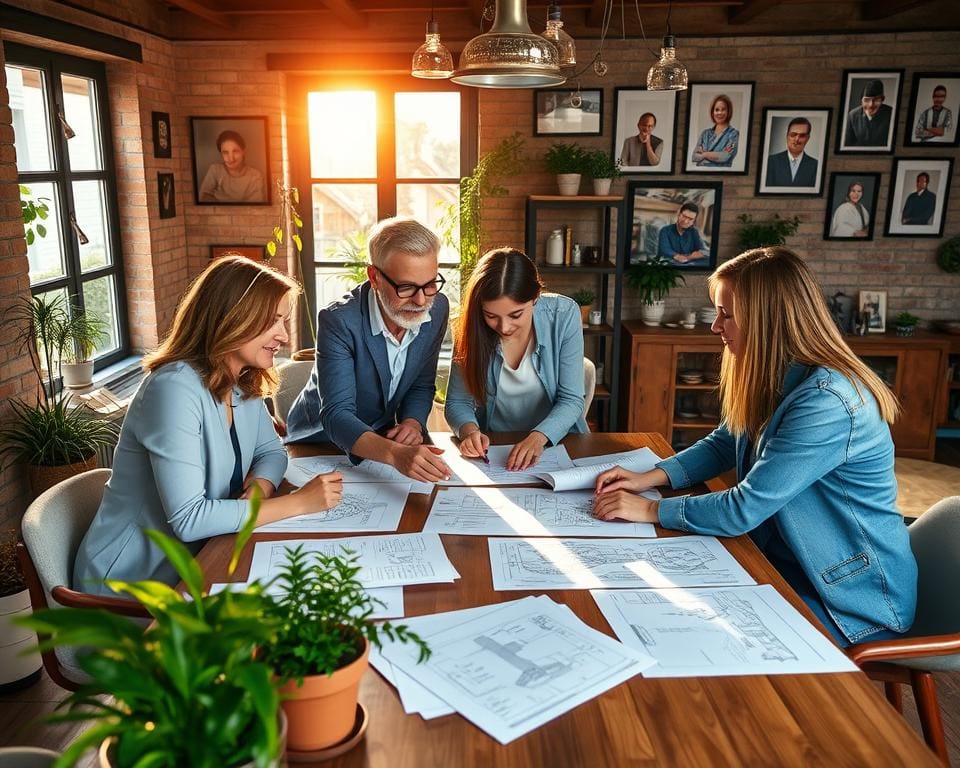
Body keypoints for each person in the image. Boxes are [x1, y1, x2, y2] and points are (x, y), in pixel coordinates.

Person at [592, 247, 917, 647]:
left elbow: (743, 509)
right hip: (787, 563)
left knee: (701, 639)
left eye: (726, 314)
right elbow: (726, 442)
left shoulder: (827, 402)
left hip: (851, 599)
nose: (716, 327)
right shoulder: (778, 373)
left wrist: (652, 509)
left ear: (767, 321)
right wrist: (650, 477)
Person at [74, 256, 344, 595]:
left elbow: (272, 452)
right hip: (133, 585)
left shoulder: (239, 379)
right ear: (232, 318)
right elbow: (190, 520)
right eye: (273, 321)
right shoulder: (172, 389)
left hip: (201, 559)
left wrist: (260, 488)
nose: (285, 337)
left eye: (284, 321)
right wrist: (302, 502)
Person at [285, 217, 452, 483]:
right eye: (406, 287)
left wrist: (410, 422)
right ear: (374, 277)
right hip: (320, 444)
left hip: (385, 441)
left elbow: (421, 383)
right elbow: (337, 414)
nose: (421, 301)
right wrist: (395, 454)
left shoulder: (438, 307)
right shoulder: (338, 321)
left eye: (430, 284)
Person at [444, 248, 587, 471]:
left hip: (556, 444)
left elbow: (571, 399)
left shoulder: (564, 314)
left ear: (535, 297)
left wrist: (538, 438)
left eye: (516, 314)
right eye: (491, 316)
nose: (504, 327)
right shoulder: (470, 326)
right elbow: (457, 402)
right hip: (495, 448)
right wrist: (470, 432)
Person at [199, 130, 266, 203]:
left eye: (235, 151)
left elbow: (255, 209)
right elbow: (203, 198)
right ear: (221, 154)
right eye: (225, 152)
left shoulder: (255, 176)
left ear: (243, 151)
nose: (231, 158)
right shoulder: (215, 170)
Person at [765, 117, 818, 187]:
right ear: (787, 136)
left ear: (807, 139)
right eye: (793, 135)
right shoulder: (771, 161)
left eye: (802, 136)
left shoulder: (815, 165)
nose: (797, 139)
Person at [691, 94, 739, 168]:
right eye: (717, 110)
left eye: (723, 109)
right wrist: (715, 155)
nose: (719, 113)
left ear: (728, 112)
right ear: (712, 112)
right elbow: (694, 157)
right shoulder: (705, 134)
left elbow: (725, 156)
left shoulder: (733, 134)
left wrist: (704, 154)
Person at [657, 201, 709, 266]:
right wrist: (685, 257)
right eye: (684, 216)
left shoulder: (694, 232)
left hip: (689, 266)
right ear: (679, 214)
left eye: (690, 219)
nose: (686, 221)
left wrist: (698, 253)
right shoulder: (665, 230)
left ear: (693, 221)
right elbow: (665, 250)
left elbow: (702, 249)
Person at [844, 79, 893, 147]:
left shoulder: (892, 114)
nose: (871, 105)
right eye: (866, 100)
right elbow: (847, 145)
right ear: (861, 100)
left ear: (882, 99)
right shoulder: (852, 115)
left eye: (876, 100)